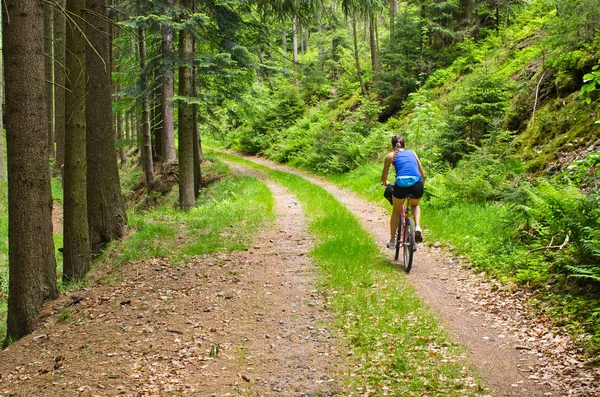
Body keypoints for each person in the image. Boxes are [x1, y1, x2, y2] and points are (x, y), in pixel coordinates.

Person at [381, 135, 425, 249]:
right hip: (417, 184)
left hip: (400, 185)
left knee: (396, 210)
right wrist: (421, 184)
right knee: (414, 205)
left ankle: (392, 241)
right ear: (404, 144)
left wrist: (386, 183)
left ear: (392, 145)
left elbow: (383, 178)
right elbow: (422, 174)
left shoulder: (390, 156)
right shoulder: (413, 153)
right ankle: (418, 227)